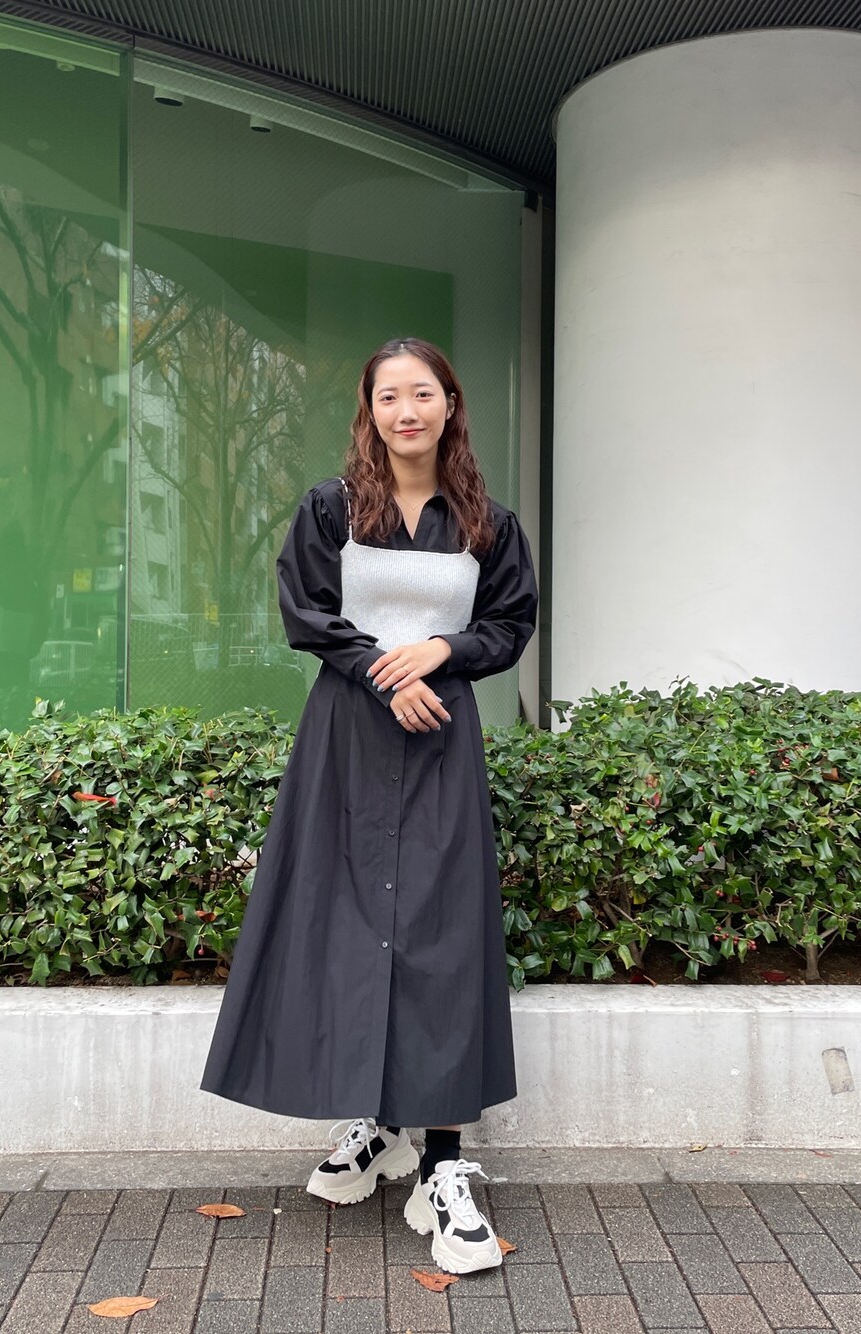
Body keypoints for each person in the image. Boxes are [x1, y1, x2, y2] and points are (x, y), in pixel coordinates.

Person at [200, 337, 537, 1274]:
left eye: (422, 393)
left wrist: (443, 652)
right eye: (389, 396)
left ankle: (443, 1161)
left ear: (449, 404)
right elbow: (307, 611)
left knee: (440, 933)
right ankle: (381, 1122)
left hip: (441, 741)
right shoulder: (333, 508)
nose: (406, 411)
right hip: (348, 738)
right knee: (349, 925)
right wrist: (386, 672)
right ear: (370, 409)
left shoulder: (488, 523)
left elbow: (509, 623)